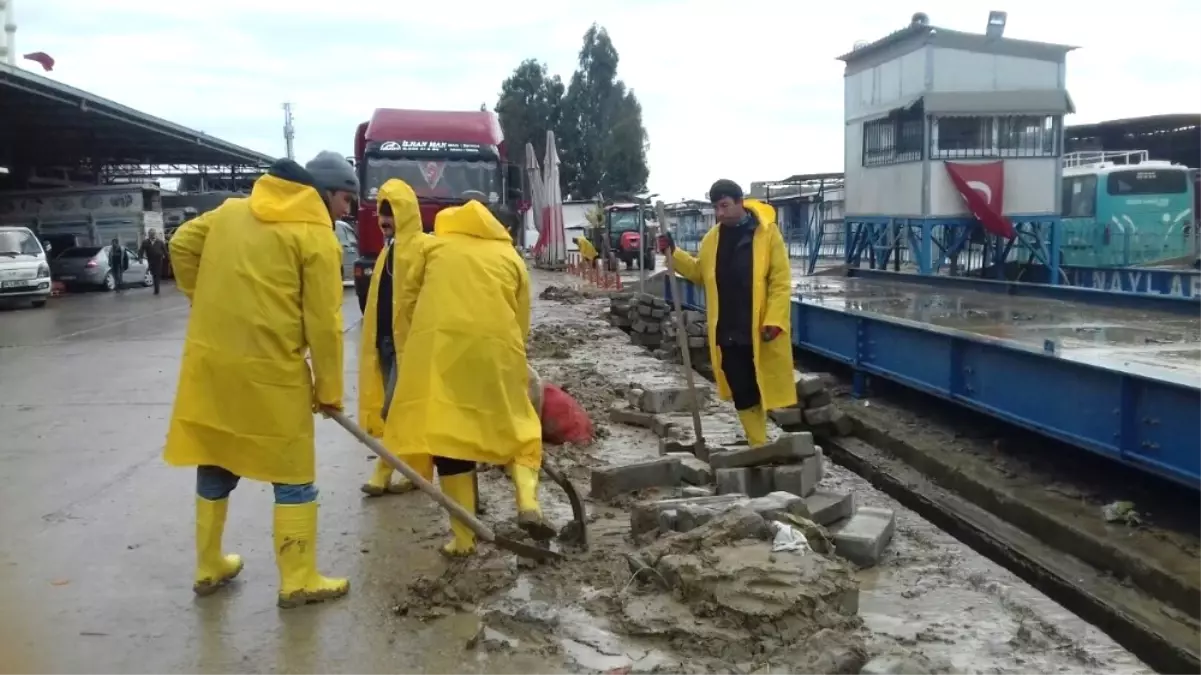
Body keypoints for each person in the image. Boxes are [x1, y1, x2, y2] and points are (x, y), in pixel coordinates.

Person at [163, 150, 355, 608]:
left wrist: (205, 298)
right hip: (273, 372)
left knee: (215, 456)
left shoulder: (229, 213)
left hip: (214, 364)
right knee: (293, 474)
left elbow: (181, 246)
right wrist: (329, 391)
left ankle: (209, 565)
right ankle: (298, 578)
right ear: (325, 194)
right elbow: (324, 325)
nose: (348, 210)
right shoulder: (316, 237)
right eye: (346, 199)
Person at [384, 201, 546, 556]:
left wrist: (423, 334)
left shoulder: (433, 246)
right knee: (518, 428)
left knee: (450, 440)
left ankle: (463, 538)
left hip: (442, 353)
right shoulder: (511, 258)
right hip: (497, 351)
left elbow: (407, 301)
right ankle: (527, 500)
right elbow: (521, 323)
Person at [660, 179, 796, 447]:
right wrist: (673, 253)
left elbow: (780, 281)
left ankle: (762, 440)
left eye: (724, 206)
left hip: (756, 325)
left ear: (740, 202)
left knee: (760, 385)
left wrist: (775, 319)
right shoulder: (713, 238)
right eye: (716, 208)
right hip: (726, 326)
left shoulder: (767, 234)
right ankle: (758, 443)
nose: (720, 213)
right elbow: (700, 273)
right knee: (740, 386)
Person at [358, 179, 432, 497]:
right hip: (387, 344)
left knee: (397, 409)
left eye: (390, 214)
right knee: (403, 411)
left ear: (405, 213)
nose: (384, 221)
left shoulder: (423, 249)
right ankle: (413, 471)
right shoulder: (386, 253)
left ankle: (384, 470)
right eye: (381, 214)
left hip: (412, 346)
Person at [139, 229, 168, 295]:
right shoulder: (145, 242)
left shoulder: (160, 242)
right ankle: (156, 287)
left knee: (157, 274)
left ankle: (156, 289)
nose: (152, 235)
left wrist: (167, 258)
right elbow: (141, 250)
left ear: (155, 234)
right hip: (151, 260)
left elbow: (165, 251)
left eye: (153, 233)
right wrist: (140, 258)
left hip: (158, 260)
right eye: (151, 234)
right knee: (153, 274)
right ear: (148, 234)